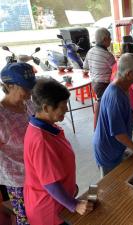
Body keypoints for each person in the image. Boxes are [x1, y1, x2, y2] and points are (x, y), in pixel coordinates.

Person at [23, 78, 94, 225]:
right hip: (49, 209)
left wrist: (69, 186)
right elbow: (50, 184)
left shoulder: (48, 127)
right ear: (47, 108)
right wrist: (74, 205)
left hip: (57, 200)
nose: (67, 109)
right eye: (63, 106)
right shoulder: (41, 140)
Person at [93, 53, 133, 176]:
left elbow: (129, 112)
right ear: (129, 74)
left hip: (116, 147)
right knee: (109, 184)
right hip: (107, 150)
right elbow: (118, 133)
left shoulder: (122, 88)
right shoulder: (115, 96)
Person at [0, 63, 36, 225]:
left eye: (31, 88)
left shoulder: (29, 104)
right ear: (9, 86)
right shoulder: (1, 117)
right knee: (26, 219)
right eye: (25, 89)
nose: (30, 92)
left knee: (42, 212)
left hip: (37, 172)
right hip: (18, 180)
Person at [111, 43, 133, 141]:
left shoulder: (116, 65)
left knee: (127, 118)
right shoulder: (117, 97)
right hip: (128, 99)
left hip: (125, 99)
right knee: (126, 122)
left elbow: (130, 113)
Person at [83, 28, 116, 128]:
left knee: (101, 103)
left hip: (94, 83)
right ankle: (103, 127)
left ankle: (99, 126)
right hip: (104, 84)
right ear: (105, 39)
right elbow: (116, 70)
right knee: (111, 105)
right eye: (110, 38)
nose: (111, 40)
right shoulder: (107, 55)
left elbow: (85, 66)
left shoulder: (90, 51)